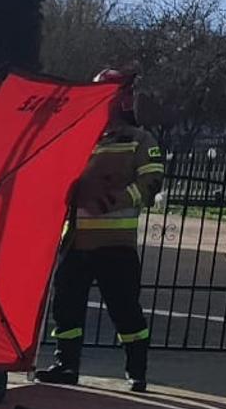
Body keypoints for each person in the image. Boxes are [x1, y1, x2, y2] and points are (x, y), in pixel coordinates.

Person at [36, 68, 164, 392]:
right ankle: (66, 365)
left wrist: (112, 200)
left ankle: (136, 370)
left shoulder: (140, 140)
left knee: (125, 309)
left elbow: (151, 183)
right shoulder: (80, 137)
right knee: (66, 306)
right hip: (76, 241)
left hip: (116, 243)